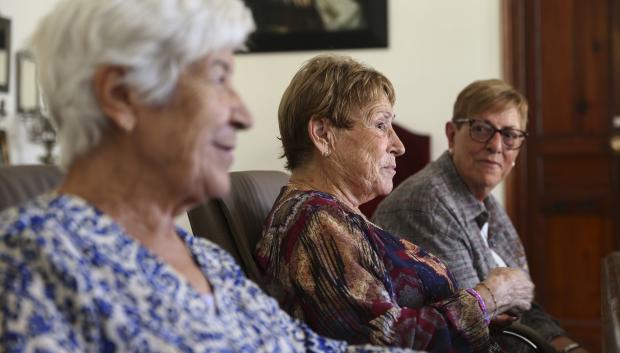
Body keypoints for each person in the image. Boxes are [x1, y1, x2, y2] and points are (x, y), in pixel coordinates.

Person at [0, 1, 416, 352]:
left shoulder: (206, 260)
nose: (242, 114)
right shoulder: (34, 255)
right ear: (121, 96)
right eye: (218, 78)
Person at [255, 55, 535, 353]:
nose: (398, 145)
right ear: (323, 134)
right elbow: (385, 342)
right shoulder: (314, 224)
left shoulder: (338, 216)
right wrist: (488, 298)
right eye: (380, 124)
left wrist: (484, 312)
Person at [372, 79, 588, 353]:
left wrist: (568, 347)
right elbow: (478, 327)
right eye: (481, 129)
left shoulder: (484, 201)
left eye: (510, 135)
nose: (496, 145)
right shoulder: (426, 205)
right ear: (452, 135)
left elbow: (524, 306)